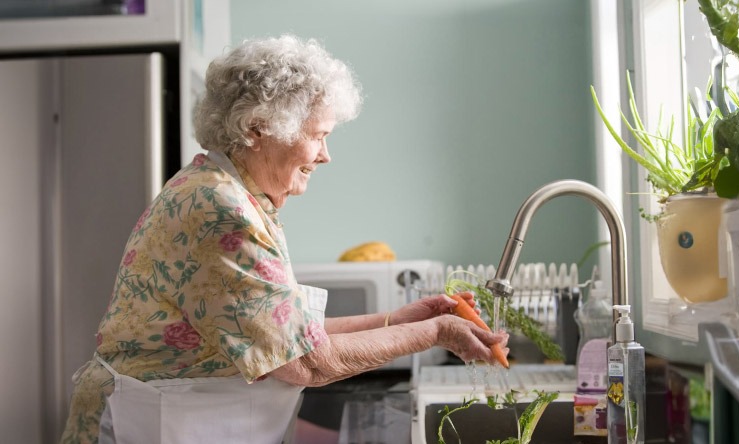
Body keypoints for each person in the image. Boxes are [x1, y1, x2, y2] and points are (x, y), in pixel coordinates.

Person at [60, 34, 508, 444]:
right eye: (318, 136)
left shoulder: (229, 193)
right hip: (149, 427)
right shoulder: (222, 212)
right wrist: (434, 331)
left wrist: (400, 319)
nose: (326, 155)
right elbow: (305, 362)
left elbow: (283, 335)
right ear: (258, 129)